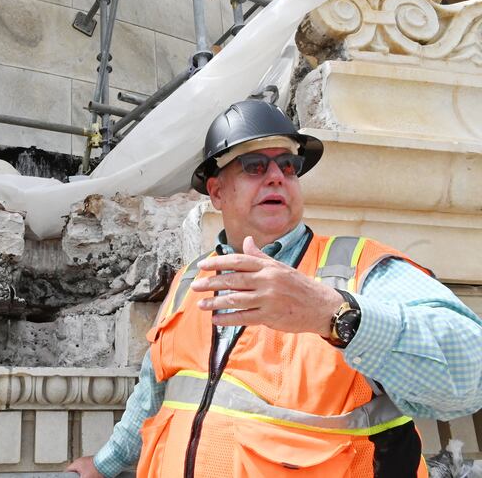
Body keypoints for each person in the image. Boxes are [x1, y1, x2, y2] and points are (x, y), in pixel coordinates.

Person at [67, 99, 482, 478]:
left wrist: (336, 315)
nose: (277, 177)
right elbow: (156, 394)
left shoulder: (356, 270)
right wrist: (104, 465)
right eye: (254, 166)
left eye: (287, 165)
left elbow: (471, 374)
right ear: (216, 191)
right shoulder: (190, 281)